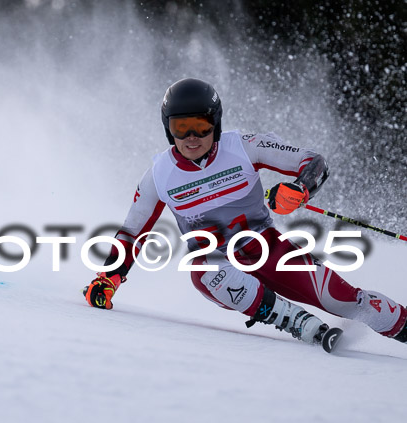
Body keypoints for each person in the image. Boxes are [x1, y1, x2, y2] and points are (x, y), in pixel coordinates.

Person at [83, 78, 407, 346]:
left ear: (216, 123)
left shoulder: (244, 146)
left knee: (345, 300)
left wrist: (299, 189)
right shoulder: (158, 175)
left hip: (268, 249)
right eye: (182, 127)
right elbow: (131, 232)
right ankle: (295, 321)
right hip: (217, 263)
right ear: (169, 129)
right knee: (206, 269)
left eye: (200, 125)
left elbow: (314, 163)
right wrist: (111, 276)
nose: (192, 138)